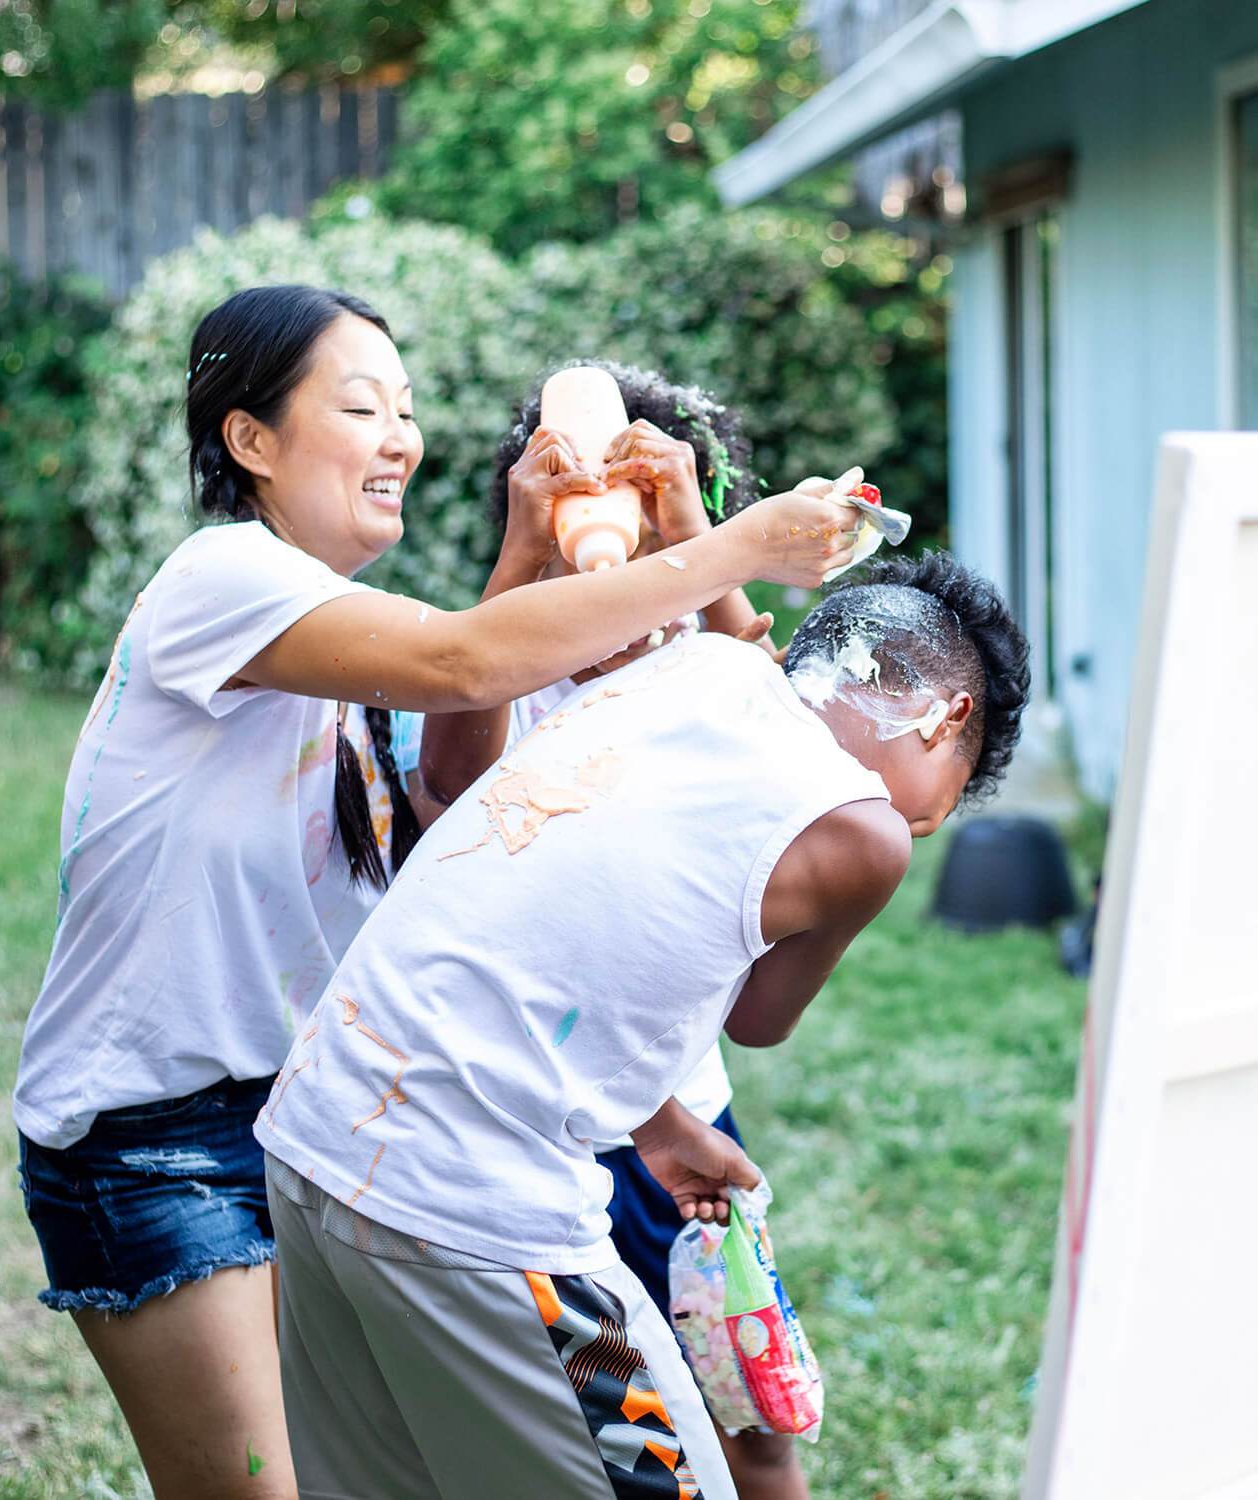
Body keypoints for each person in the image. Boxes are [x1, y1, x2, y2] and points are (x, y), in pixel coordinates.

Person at [11, 284, 866, 1500]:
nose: (401, 436)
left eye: (407, 410)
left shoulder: (355, 649)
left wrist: (657, 1125)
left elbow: (446, 864)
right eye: (362, 406)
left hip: (315, 1124)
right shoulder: (222, 580)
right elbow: (461, 660)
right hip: (160, 1140)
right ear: (249, 441)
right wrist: (730, 550)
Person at [256, 552, 1031, 1500]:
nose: (910, 825)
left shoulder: (687, 670)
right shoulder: (859, 831)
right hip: (471, 1201)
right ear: (949, 717)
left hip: (315, 1132)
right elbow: (758, 1020)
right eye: (935, 810)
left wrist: (660, 1128)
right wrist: (885, 839)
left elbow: (543, 935)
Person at [420, 362, 807, 1499]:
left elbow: (797, 756)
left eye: (649, 530)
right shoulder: (512, 655)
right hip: (543, 1129)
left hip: (676, 1124)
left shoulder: (708, 663)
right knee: (603, 1416)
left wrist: (707, 543)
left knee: (747, 1405)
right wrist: (521, 563)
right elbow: (448, 780)